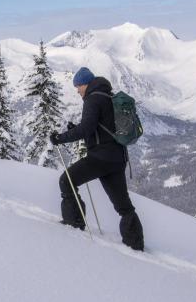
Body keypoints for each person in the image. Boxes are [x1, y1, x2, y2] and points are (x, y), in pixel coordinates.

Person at [50, 67, 144, 251]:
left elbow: (87, 128)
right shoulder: (108, 96)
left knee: (66, 181)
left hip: (100, 159)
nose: (77, 90)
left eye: (78, 86)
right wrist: (76, 129)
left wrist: (60, 138)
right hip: (118, 159)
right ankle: (135, 244)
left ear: (85, 84)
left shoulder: (92, 99)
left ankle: (73, 225)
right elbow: (99, 127)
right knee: (123, 206)